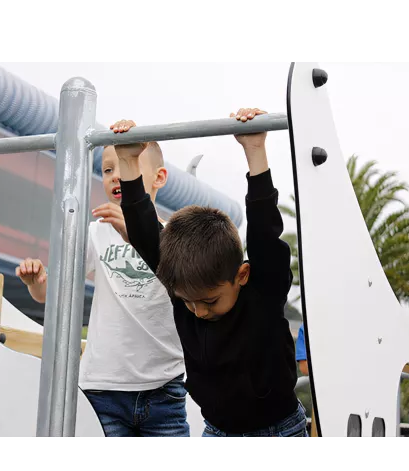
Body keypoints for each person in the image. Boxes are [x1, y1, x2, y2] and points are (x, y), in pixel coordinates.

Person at [98, 107, 308, 439]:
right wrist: (127, 161)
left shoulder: (263, 290)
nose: (198, 311)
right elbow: (145, 234)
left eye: (209, 301)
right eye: (189, 302)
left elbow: (265, 232)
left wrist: (255, 149)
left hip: (277, 430)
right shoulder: (182, 286)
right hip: (217, 431)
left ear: (241, 275)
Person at [16, 141, 189, 439]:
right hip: (103, 388)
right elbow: (51, 296)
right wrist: (36, 283)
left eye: (124, 167)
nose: (114, 176)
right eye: (107, 169)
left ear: (159, 178)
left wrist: (138, 229)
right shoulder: (96, 233)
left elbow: (191, 293)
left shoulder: (173, 236)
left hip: (164, 389)